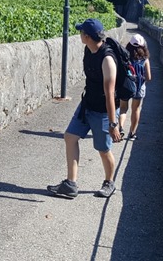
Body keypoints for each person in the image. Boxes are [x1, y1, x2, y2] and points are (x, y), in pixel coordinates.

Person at [47, 18, 122, 199]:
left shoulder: (107, 60)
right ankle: (70, 184)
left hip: (104, 112)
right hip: (87, 105)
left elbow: (110, 94)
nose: (79, 34)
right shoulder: (88, 50)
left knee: (103, 150)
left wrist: (113, 123)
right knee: (70, 137)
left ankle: (109, 182)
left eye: (81, 32)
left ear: (87, 36)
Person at [118, 33, 152, 140]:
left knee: (123, 108)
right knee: (136, 109)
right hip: (139, 86)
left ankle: (120, 128)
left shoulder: (126, 57)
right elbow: (149, 77)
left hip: (126, 86)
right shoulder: (144, 59)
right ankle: (132, 133)